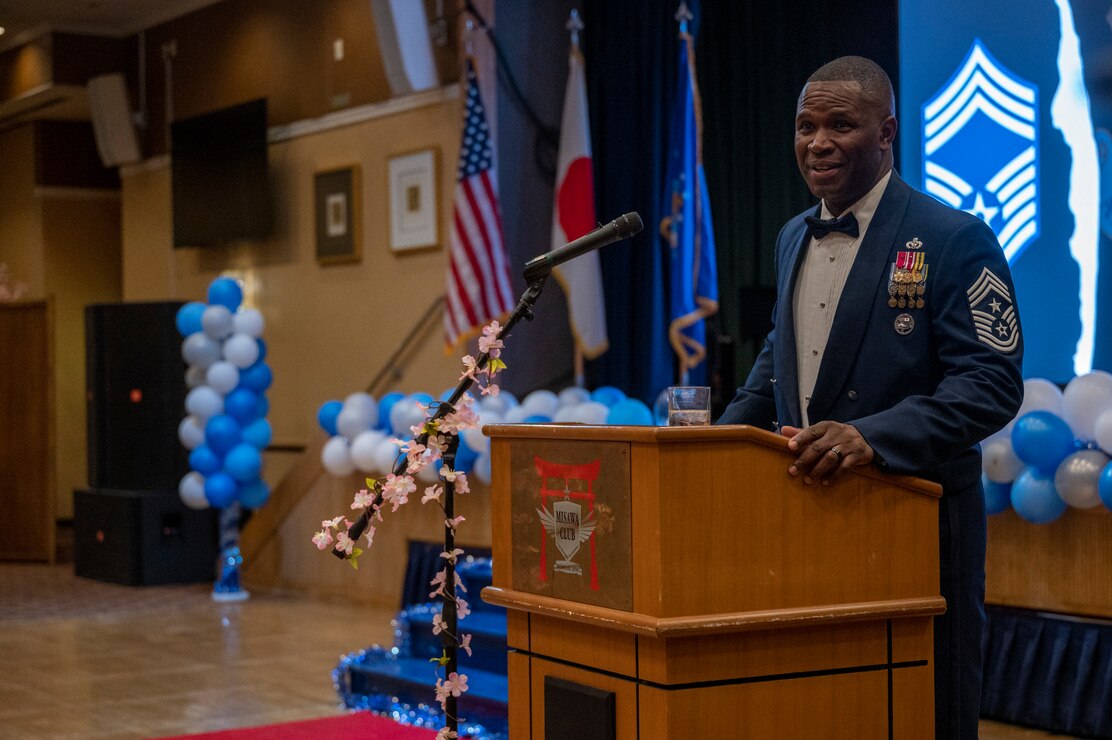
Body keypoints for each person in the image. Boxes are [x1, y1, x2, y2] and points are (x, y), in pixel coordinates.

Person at [717, 56, 1024, 738]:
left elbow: (992, 381)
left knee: (922, 712)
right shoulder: (792, 235)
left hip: (913, 526)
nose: (818, 141)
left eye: (840, 125)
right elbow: (780, 363)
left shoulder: (954, 237)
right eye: (805, 126)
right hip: (805, 522)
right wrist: (709, 448)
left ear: (887, 131)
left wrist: (874, 436)